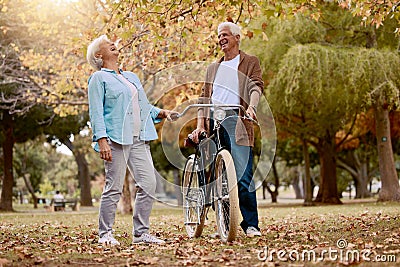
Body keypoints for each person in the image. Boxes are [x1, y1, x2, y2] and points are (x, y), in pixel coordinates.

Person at [86, 34, 176, 246]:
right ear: (99, 55)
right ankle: (105, 233)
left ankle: (140, 233)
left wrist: (162, 112)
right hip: (115, 139)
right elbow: (96, 112)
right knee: (114, 187)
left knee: (149, 183)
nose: (114, 45)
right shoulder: (98, 78)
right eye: (108, 44)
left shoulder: (132, 77)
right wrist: (101, 139)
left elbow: (143, 107)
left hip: (138, 137)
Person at [190, 22, 263, 238]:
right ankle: (223, 223)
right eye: (219, 36)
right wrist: (200, 125)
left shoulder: (250, 62)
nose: (221, 39)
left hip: (237, 120)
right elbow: (203, 98)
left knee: (243, 175)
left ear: (237, 37)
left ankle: (251, 224)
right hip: (213, 122)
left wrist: (252, 107)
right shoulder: (213, 68)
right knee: (214, 177)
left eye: (225, 35)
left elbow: (256, 87)